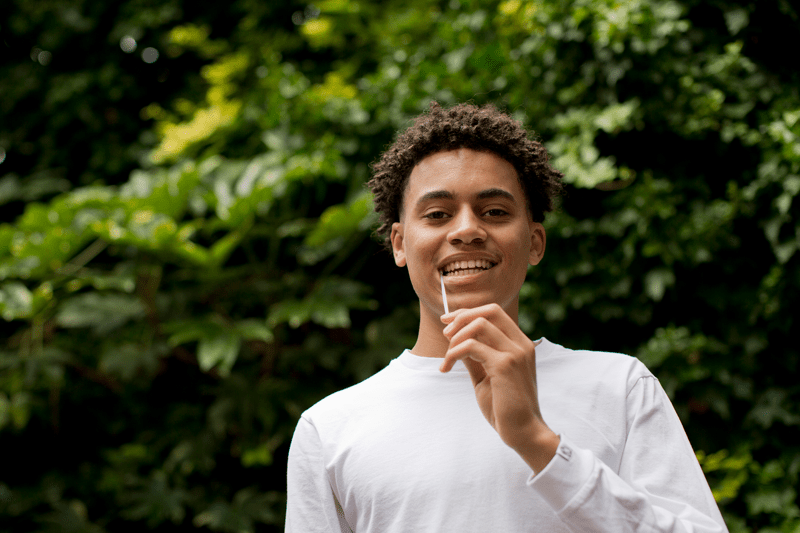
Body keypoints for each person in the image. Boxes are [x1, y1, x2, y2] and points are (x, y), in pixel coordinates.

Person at [285, 102, 728, 532]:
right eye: (437, 214)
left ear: (535, 242)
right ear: (400, 244)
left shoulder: (620, 388)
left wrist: (538, 443)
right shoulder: (330, 428)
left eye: (494, 212)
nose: (466, 230)